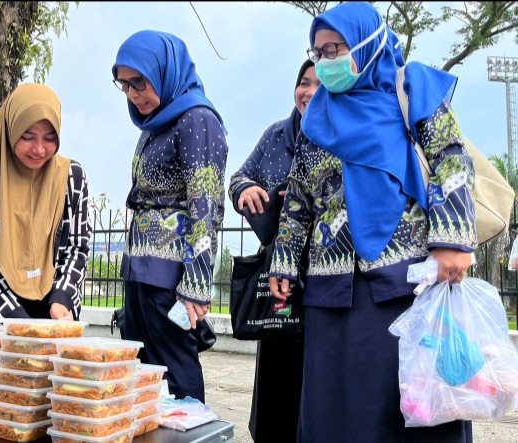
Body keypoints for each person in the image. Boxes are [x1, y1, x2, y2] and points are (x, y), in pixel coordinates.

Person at [268, 3, 475, 442]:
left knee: (405, 413)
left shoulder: (410, 86)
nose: (326, 62)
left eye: (335, 48)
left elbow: (451, 159)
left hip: (403, 287)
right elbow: (301, 196)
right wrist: (284, 261)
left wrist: (452, 240)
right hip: (330, 292)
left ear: (367, 42)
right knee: (331, 413)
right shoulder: (316, 118)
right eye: (319, 52)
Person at [112, 30, 228, 403]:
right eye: (125, 85)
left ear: (165, 71)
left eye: (140, 82)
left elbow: (205, 203)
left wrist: (195, 284)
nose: (133, 94)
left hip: (172, 277)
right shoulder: (153, 123)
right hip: (141, 270)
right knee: (143, 375)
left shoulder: (196, 118)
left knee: (174, 375)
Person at [227, 59, 319, 443]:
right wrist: (245, 188)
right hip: (277, 279)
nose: (308, 92)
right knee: (276, 372)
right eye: (303, 82)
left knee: (315, 376)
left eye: (318, 84)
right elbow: (237, 178)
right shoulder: (275, 136)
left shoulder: (339, 136)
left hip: (321, 275)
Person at [0, 83, 92, 324]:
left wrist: (62, 297)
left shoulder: (71, 177)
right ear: (10, 131)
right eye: (27, 137)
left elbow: (76, 247)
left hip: (55, 316)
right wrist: (16, 321)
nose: (39, 149)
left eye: (50, 139)